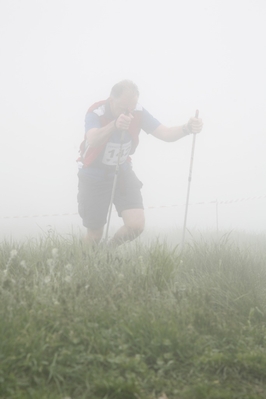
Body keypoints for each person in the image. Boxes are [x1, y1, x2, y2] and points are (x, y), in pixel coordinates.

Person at [77, 80, 203, 246]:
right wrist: (114, 125)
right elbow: (92, 139)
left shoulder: (137, 112)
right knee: (94, 234)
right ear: (111, 100)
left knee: (136, 225)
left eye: (132, 106)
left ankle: (108, 251)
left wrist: (187, 128)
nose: (129, 113)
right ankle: (84, 263)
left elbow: (165, 133)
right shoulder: (96, 112)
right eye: (124, 108)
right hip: (94, 175)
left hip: (122, 172)